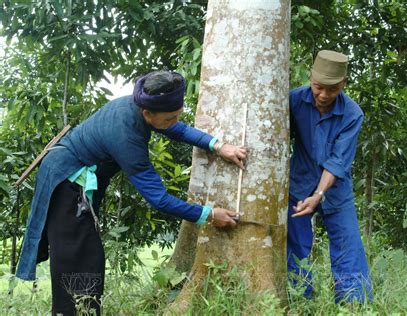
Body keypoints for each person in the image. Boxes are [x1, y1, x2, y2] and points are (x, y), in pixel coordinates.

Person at [16, 71, 246, 315]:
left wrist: (218, 146)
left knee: (83, 254)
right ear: (148, 114)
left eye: (177, 114)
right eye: (171, 117)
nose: (175, 121)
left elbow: (176, 129)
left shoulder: (139, 107)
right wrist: (209, 214)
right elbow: (159, 199)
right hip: (67, 182)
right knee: (79, 256)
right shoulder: (127, 136)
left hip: (70, 176)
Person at [287, 50, 372, 303]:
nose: (323, 95)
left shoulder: (352, 114)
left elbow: (338, 161)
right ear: (310, 77)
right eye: (318, 87)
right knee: (296, 245)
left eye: (332, 90)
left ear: (343, 84)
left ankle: (353, 304)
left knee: (348, 246)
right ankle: (300, 300)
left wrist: (319, 194)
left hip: (335, 191)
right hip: (299, 183)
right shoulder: (294, 100)